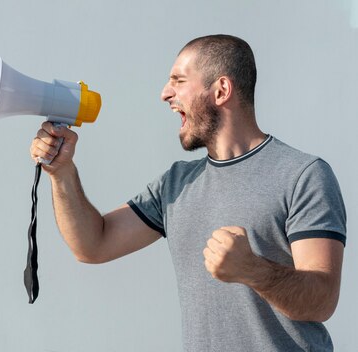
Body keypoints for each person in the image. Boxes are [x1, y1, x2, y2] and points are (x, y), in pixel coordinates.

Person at [29, 34, 346, 351]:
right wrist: (62, 173)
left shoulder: (303, 175)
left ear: (221, 90)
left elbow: (323, 299)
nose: (165, 94)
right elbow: (92, 244)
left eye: (178, 81)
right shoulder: (176, 184)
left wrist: (253, 269)